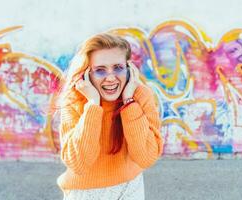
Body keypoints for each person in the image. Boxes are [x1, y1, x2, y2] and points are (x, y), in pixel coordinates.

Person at [56, 32, 163, 200]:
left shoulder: (140, 95)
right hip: (84, 193)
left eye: (118, 68)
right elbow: (78, 163)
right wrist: (93, 104)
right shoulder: (75, 100)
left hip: (130, 188)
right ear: (86, 73)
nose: (111, 78)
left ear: (128, 69)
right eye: (100, 70)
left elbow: (146, 157)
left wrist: (129, 102)